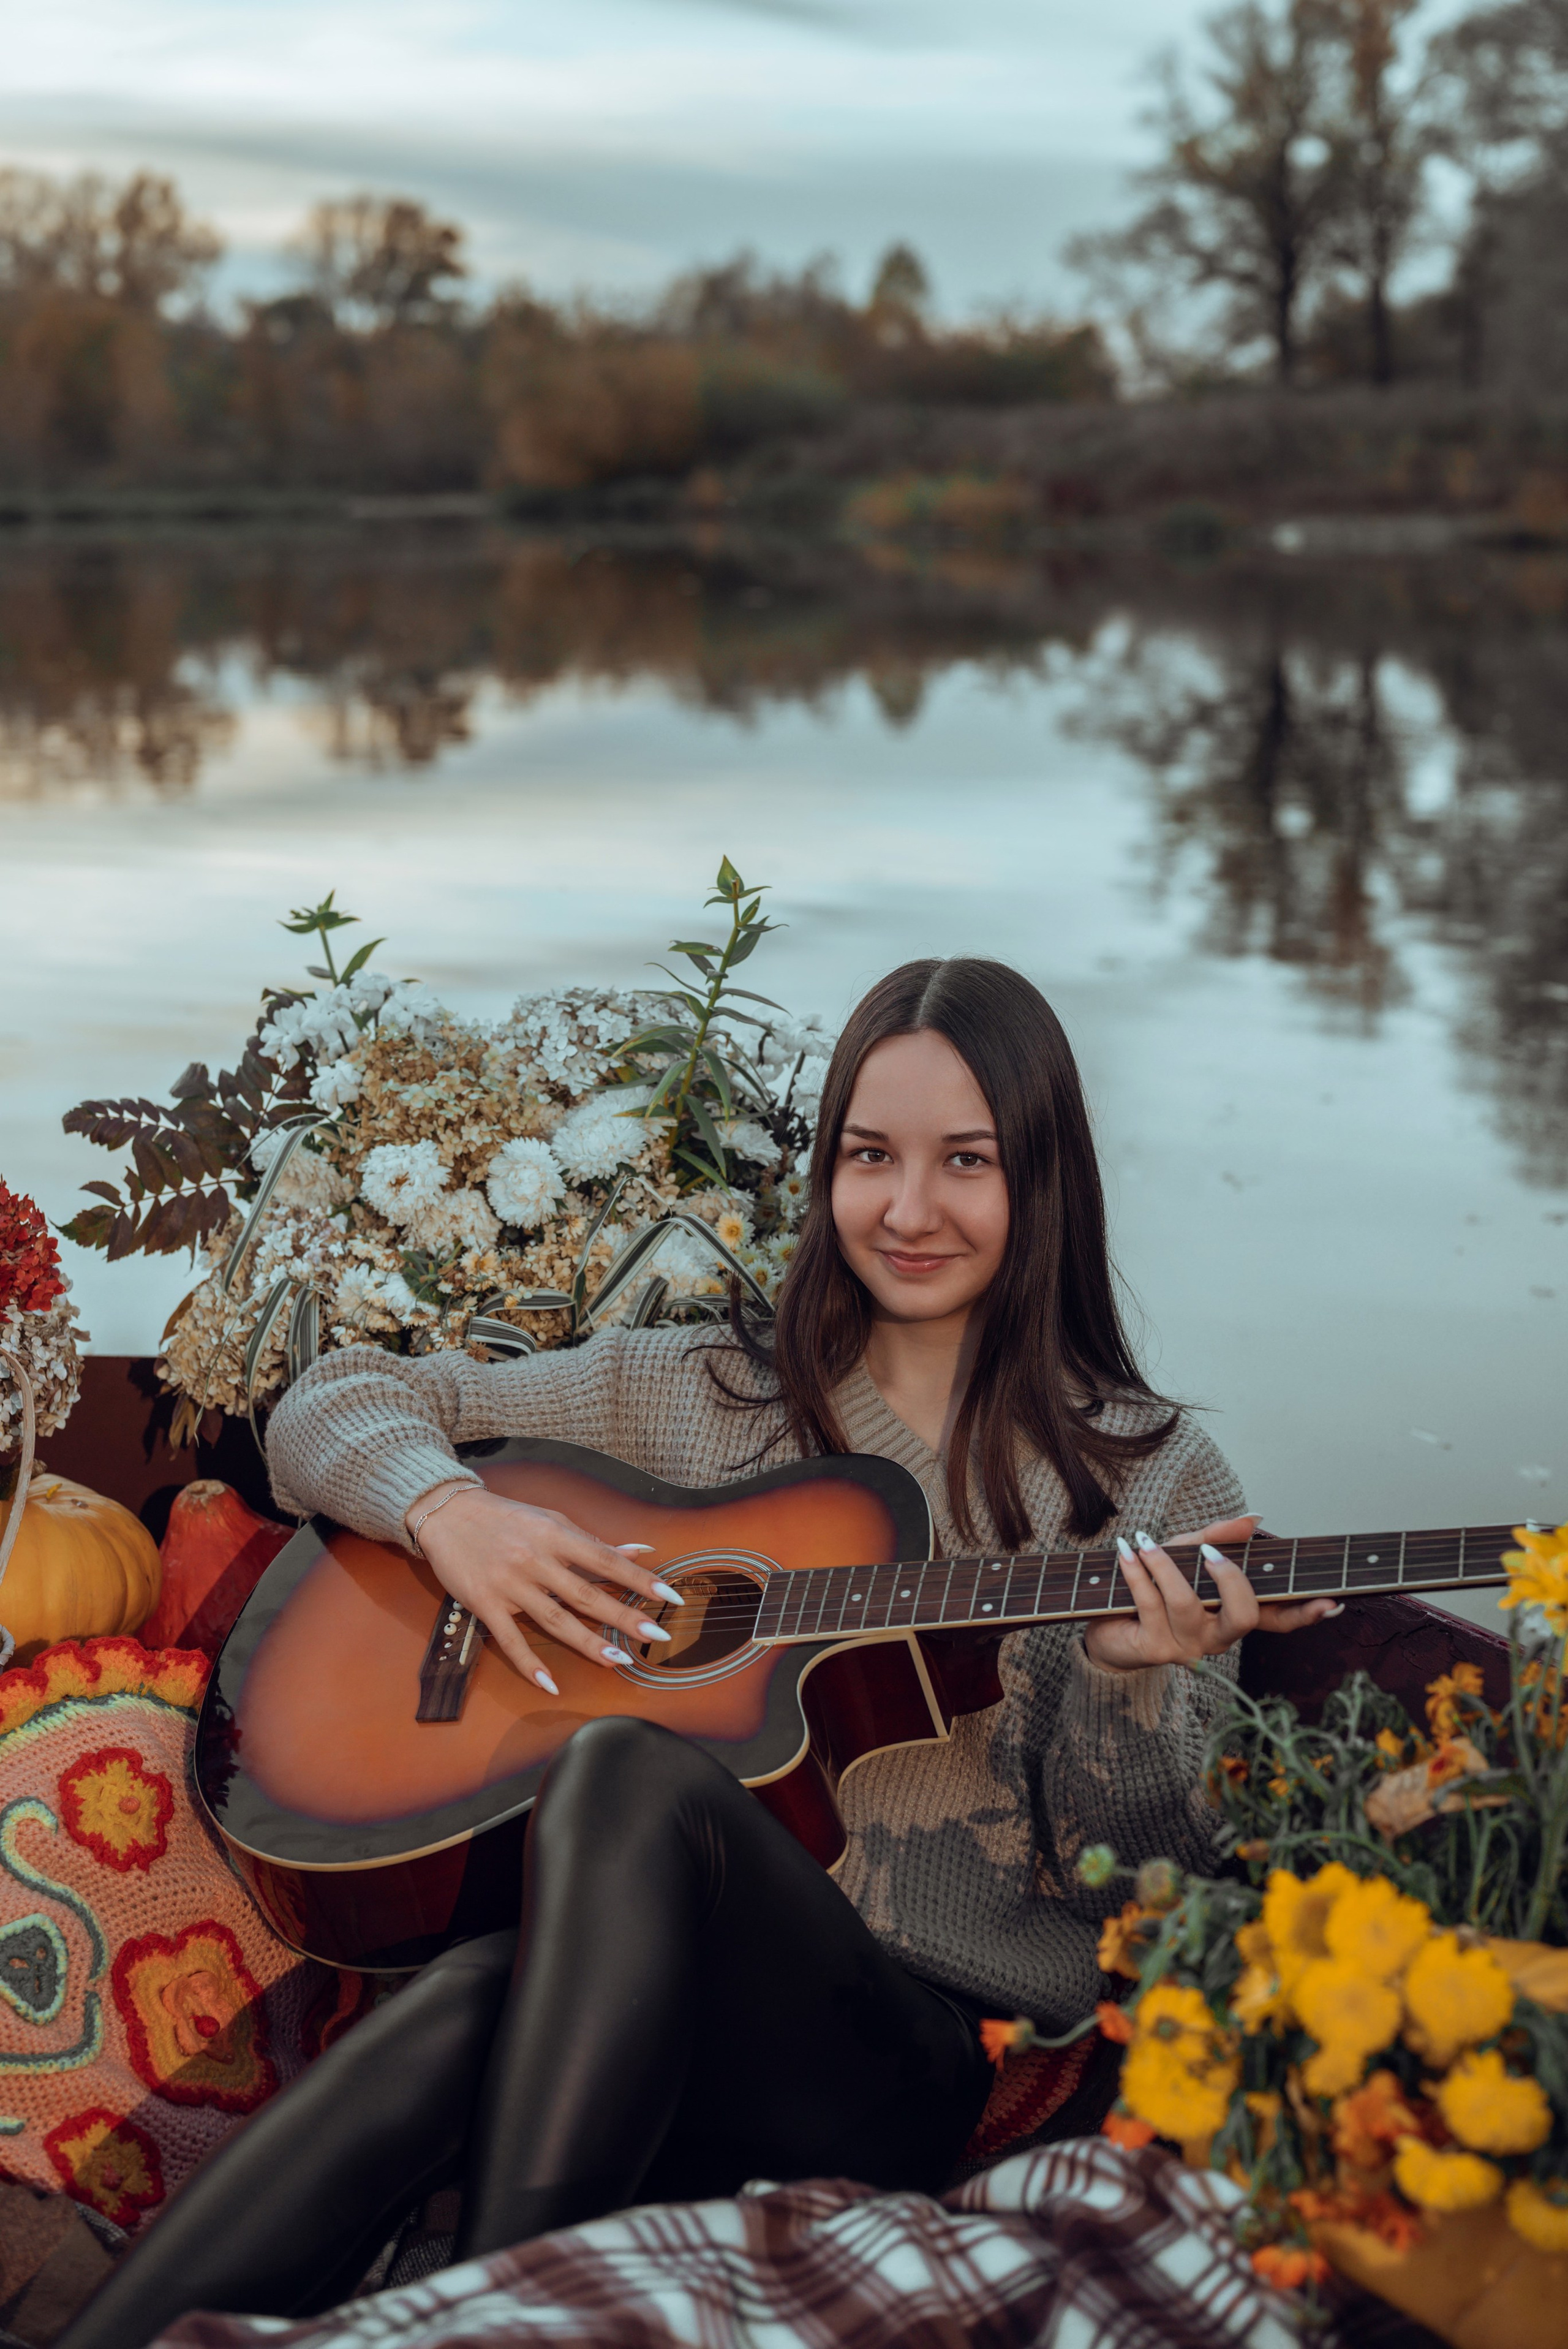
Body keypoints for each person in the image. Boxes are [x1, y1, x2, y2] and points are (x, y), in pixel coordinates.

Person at [60, 957, 1338, 2348]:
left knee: (625, 1769)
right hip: (636, 2015)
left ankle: (482, 2318)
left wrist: (1122, 1676)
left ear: (1044, 1180)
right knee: (473, 1992)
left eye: (964, 1162)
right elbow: (336, 1399)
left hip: (909, 2054)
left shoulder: (1145, 1481)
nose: (908, 1211)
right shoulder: (702, 1387)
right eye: (869, 1157)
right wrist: (453, 1516)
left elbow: (1146, 1886)